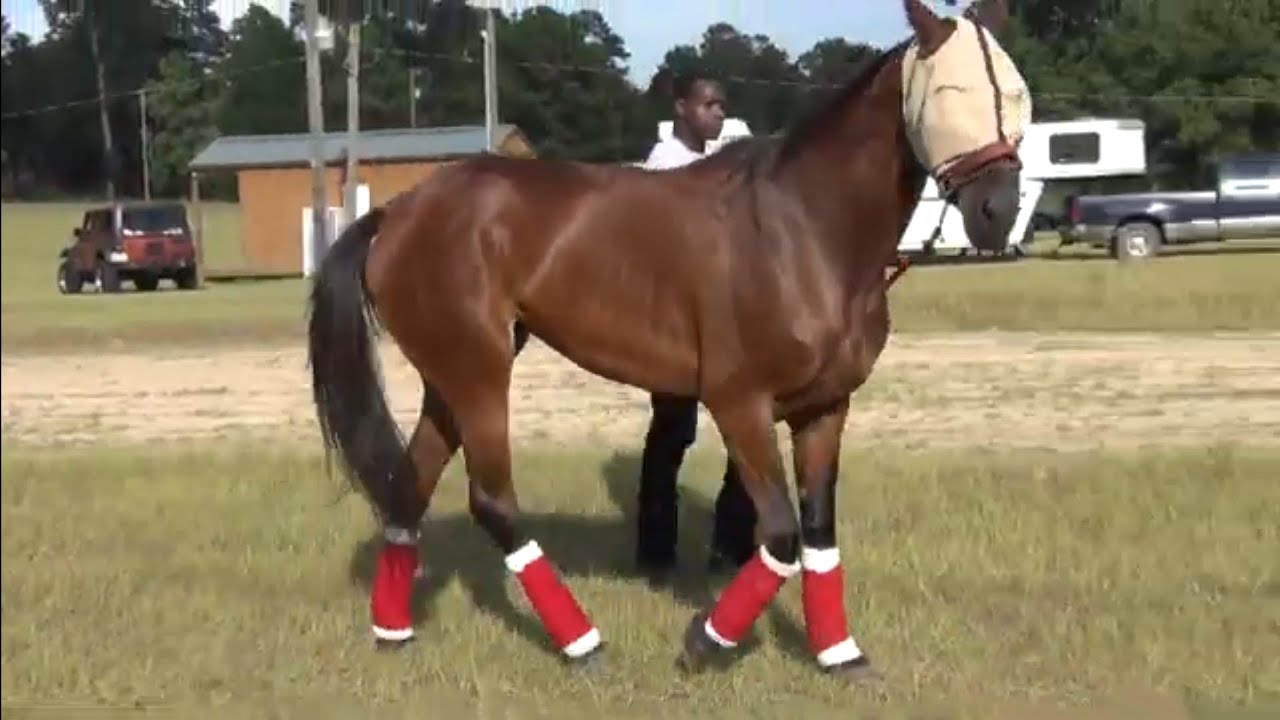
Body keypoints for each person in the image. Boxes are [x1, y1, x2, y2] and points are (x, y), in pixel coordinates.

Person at [635, 69, 758, 580]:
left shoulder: (713, 164)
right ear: (681, 107)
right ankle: (656, 550)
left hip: (719, 322)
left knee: (745, 433)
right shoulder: (666, 167)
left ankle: (731, 544)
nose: (719, 113)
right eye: (710, 104)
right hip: (676, 328)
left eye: (722, 106)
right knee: (671, 435)